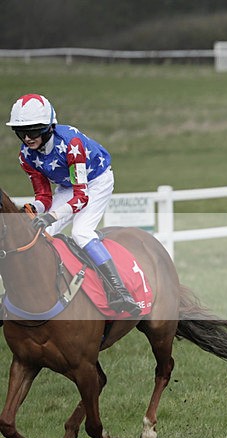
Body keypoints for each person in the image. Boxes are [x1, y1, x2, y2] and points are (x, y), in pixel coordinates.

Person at [7, 93, 140, 316]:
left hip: (96, 181)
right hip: (68, 185)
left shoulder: (72, 144)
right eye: (21, 132)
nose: (27, 138)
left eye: (34, 130)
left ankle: (119, 291)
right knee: (40, 233)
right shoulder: (26, 156)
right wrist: (33, 210)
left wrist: (52, 215)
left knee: (81, 232)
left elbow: (82, 197)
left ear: (49, 127)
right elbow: (44, 197)